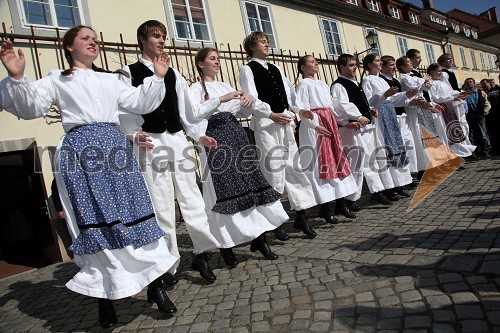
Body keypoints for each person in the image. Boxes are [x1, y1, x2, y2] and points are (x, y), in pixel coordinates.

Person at [0, 25, 179, 329]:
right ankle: (104, 300)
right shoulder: (58, 78)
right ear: (69, 46)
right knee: (97, 222)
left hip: (115, 151)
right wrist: (17, 76)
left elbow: (140, 103)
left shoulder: (113, 79)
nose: (93, 42)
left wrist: (158, 76)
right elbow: (30, 107)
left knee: (136, 217)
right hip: (82, 155)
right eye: (85, 38)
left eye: (95, 38)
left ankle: (155, 288)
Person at [118, 20, 221, 283]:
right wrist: (132, 134)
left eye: (163, 36)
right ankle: (168, 263)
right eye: (156, 36)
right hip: (150, 142)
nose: (161, 40)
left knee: (192, 198)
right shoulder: (128, 72)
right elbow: (123, 109)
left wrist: (199, 134)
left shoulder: (174, 72)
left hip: (176, 139)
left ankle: (202, 253)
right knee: (161, 205)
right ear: (142, 39)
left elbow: (187, 111)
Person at [190, 47, 290, 260]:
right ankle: (226, 245)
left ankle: (259, 239)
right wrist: (221, 99)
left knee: (249, 184)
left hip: (236, 135)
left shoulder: (225, 85)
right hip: (215, 140)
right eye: (213, 59)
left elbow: (243, 112)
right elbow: (194, 114)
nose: (217, 62)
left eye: (218, 59)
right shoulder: (196, 88)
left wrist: (248, 101)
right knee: (222, 192)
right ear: (201, 64)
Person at [239, 31, 320, 238]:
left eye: (267, 41)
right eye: (262, 42)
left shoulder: (276, 68)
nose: (267, 44)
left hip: (285, 123)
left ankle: (301, 215)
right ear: (252, 46)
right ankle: (273, 221)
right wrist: (270, 114)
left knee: (295, 168)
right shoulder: (247, 69)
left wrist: (301, 111)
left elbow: (290, 95)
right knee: (273, 171)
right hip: (267, 126)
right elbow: (251, 97)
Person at [294, 55, 358, 220]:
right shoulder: (303, 84)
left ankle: (340, 203)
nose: (316, 63)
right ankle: (325, 207)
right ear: (302, 67)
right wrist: (314, 125)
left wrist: (344, 122)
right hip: (316, 123)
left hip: (329, 121)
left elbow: (333, 106)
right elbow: (301, 109)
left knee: (336, 160)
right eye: (311, 62)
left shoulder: (322, 83)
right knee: (321, 163)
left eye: (316, 61)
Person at [360, 54, 428, 199]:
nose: (380, 63)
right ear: (369, 65)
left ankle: (399, 183)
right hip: (381, 117)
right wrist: (385, 95)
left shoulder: (380, 80)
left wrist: (405, 95)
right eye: (377, 61)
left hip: (390, 114)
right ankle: (388, 187)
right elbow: (368, 102)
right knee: (386, 151)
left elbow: (392, 100)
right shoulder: (367, 80)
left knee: (397, 147)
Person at [331, 53, 392, 208]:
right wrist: (357, 116)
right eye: (351, 65)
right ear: (342, 67)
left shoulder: (355, 83)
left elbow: (360, 102)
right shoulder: (339, 85)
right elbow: (341, 105)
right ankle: (350, 198)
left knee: (371, 159)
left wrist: (369, 110)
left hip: (365, 127)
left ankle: (377, 191)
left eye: (355, 65)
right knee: (356, 164)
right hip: (353, 129)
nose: (355, 68)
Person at [379, 55, 419, 184]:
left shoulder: (395, 80)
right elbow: (387, 101)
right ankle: (403, 178)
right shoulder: (381, 80)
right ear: (383, 66)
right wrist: (405, 95)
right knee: (398, 147)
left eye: (394, 64)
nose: (394, 67)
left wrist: (410, 100)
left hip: (402, 115)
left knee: (409, 144)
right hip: (392, 116)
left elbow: (402, 100)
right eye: (391, 65)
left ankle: (411, 172)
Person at [427, 64, 476, 158]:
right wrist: (453, 98)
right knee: (445, 132)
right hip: (441, 109)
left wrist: (460, 94)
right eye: (438, 71)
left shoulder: (443, 83)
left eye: (441, 71)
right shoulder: (432, 83)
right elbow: (436, 98)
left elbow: (451, 92)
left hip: (449, 108)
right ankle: (450, 155)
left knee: (454, 131)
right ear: (432, 72)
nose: (440, 73)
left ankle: (458, 154)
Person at [463, 78, 491, 157]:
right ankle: (473, 153)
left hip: (479, 115)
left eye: (471, 82)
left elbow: (486, 103)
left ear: (474, 83)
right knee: (471, 135)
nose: (469, 84)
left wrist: (484, 112)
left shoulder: (480, 92)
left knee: (482, 134)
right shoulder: (464, 94)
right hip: (469, 116)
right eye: (467, 82)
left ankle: (485, 151)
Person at [480, 78, 500, 155]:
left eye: (485, 84)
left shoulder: (496, 89)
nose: (484, 86)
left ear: (489, 83)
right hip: (488, 115)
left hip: (496, 113)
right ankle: (494, 148)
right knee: (491, 133)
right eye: (482, 85)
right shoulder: (482, 92)